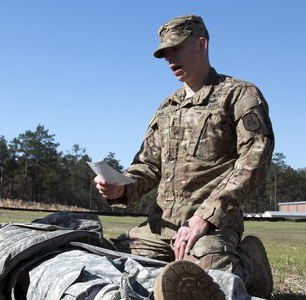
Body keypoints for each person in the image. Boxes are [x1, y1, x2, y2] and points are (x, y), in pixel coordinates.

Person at [95, 15, 274, 299]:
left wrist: (206, 217)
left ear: (201, 44)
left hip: (210, 228)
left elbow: (255, 157)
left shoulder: (238, 94)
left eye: (176, 48)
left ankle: (251, 262)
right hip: (160, 230)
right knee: (108, 263)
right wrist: (121, 188)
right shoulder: (167, 107)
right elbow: (148, 165)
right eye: (165, 53)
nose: (169, 58)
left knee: (206, 283)